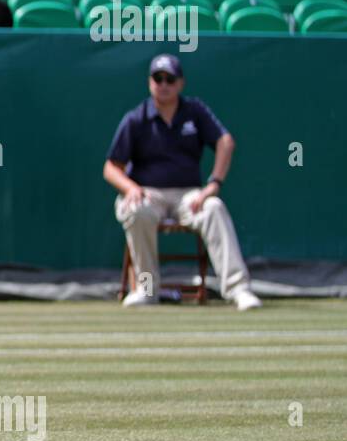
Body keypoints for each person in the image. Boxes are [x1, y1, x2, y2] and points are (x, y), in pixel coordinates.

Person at [104, 53, 262, 311]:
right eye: (158, 78)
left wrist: (213, 185)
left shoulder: (195, 111)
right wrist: (131, 188)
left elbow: (225, 142)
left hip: (189, 196)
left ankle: (238, 289)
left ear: (180, 83)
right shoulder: (136, 118)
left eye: (169, 79)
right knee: (135, 209)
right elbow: (110, 167)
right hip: (148, 194)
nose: (163, 84)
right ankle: (146, 288)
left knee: (214, 208)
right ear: (150, 82)